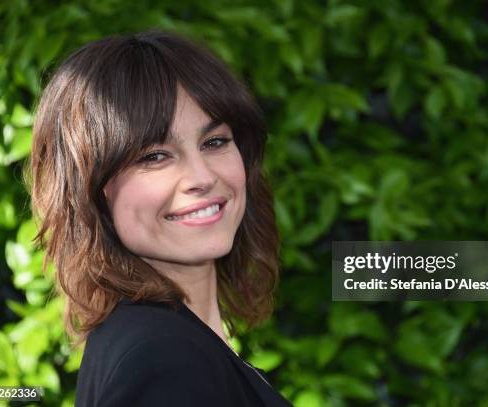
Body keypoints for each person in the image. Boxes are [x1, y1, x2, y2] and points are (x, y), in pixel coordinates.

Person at [27, 30, 293, 406]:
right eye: (154, 156)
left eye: (214, 142)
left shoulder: (161, 343)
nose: (202, 177)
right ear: (91, 190)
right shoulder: (161, 361)